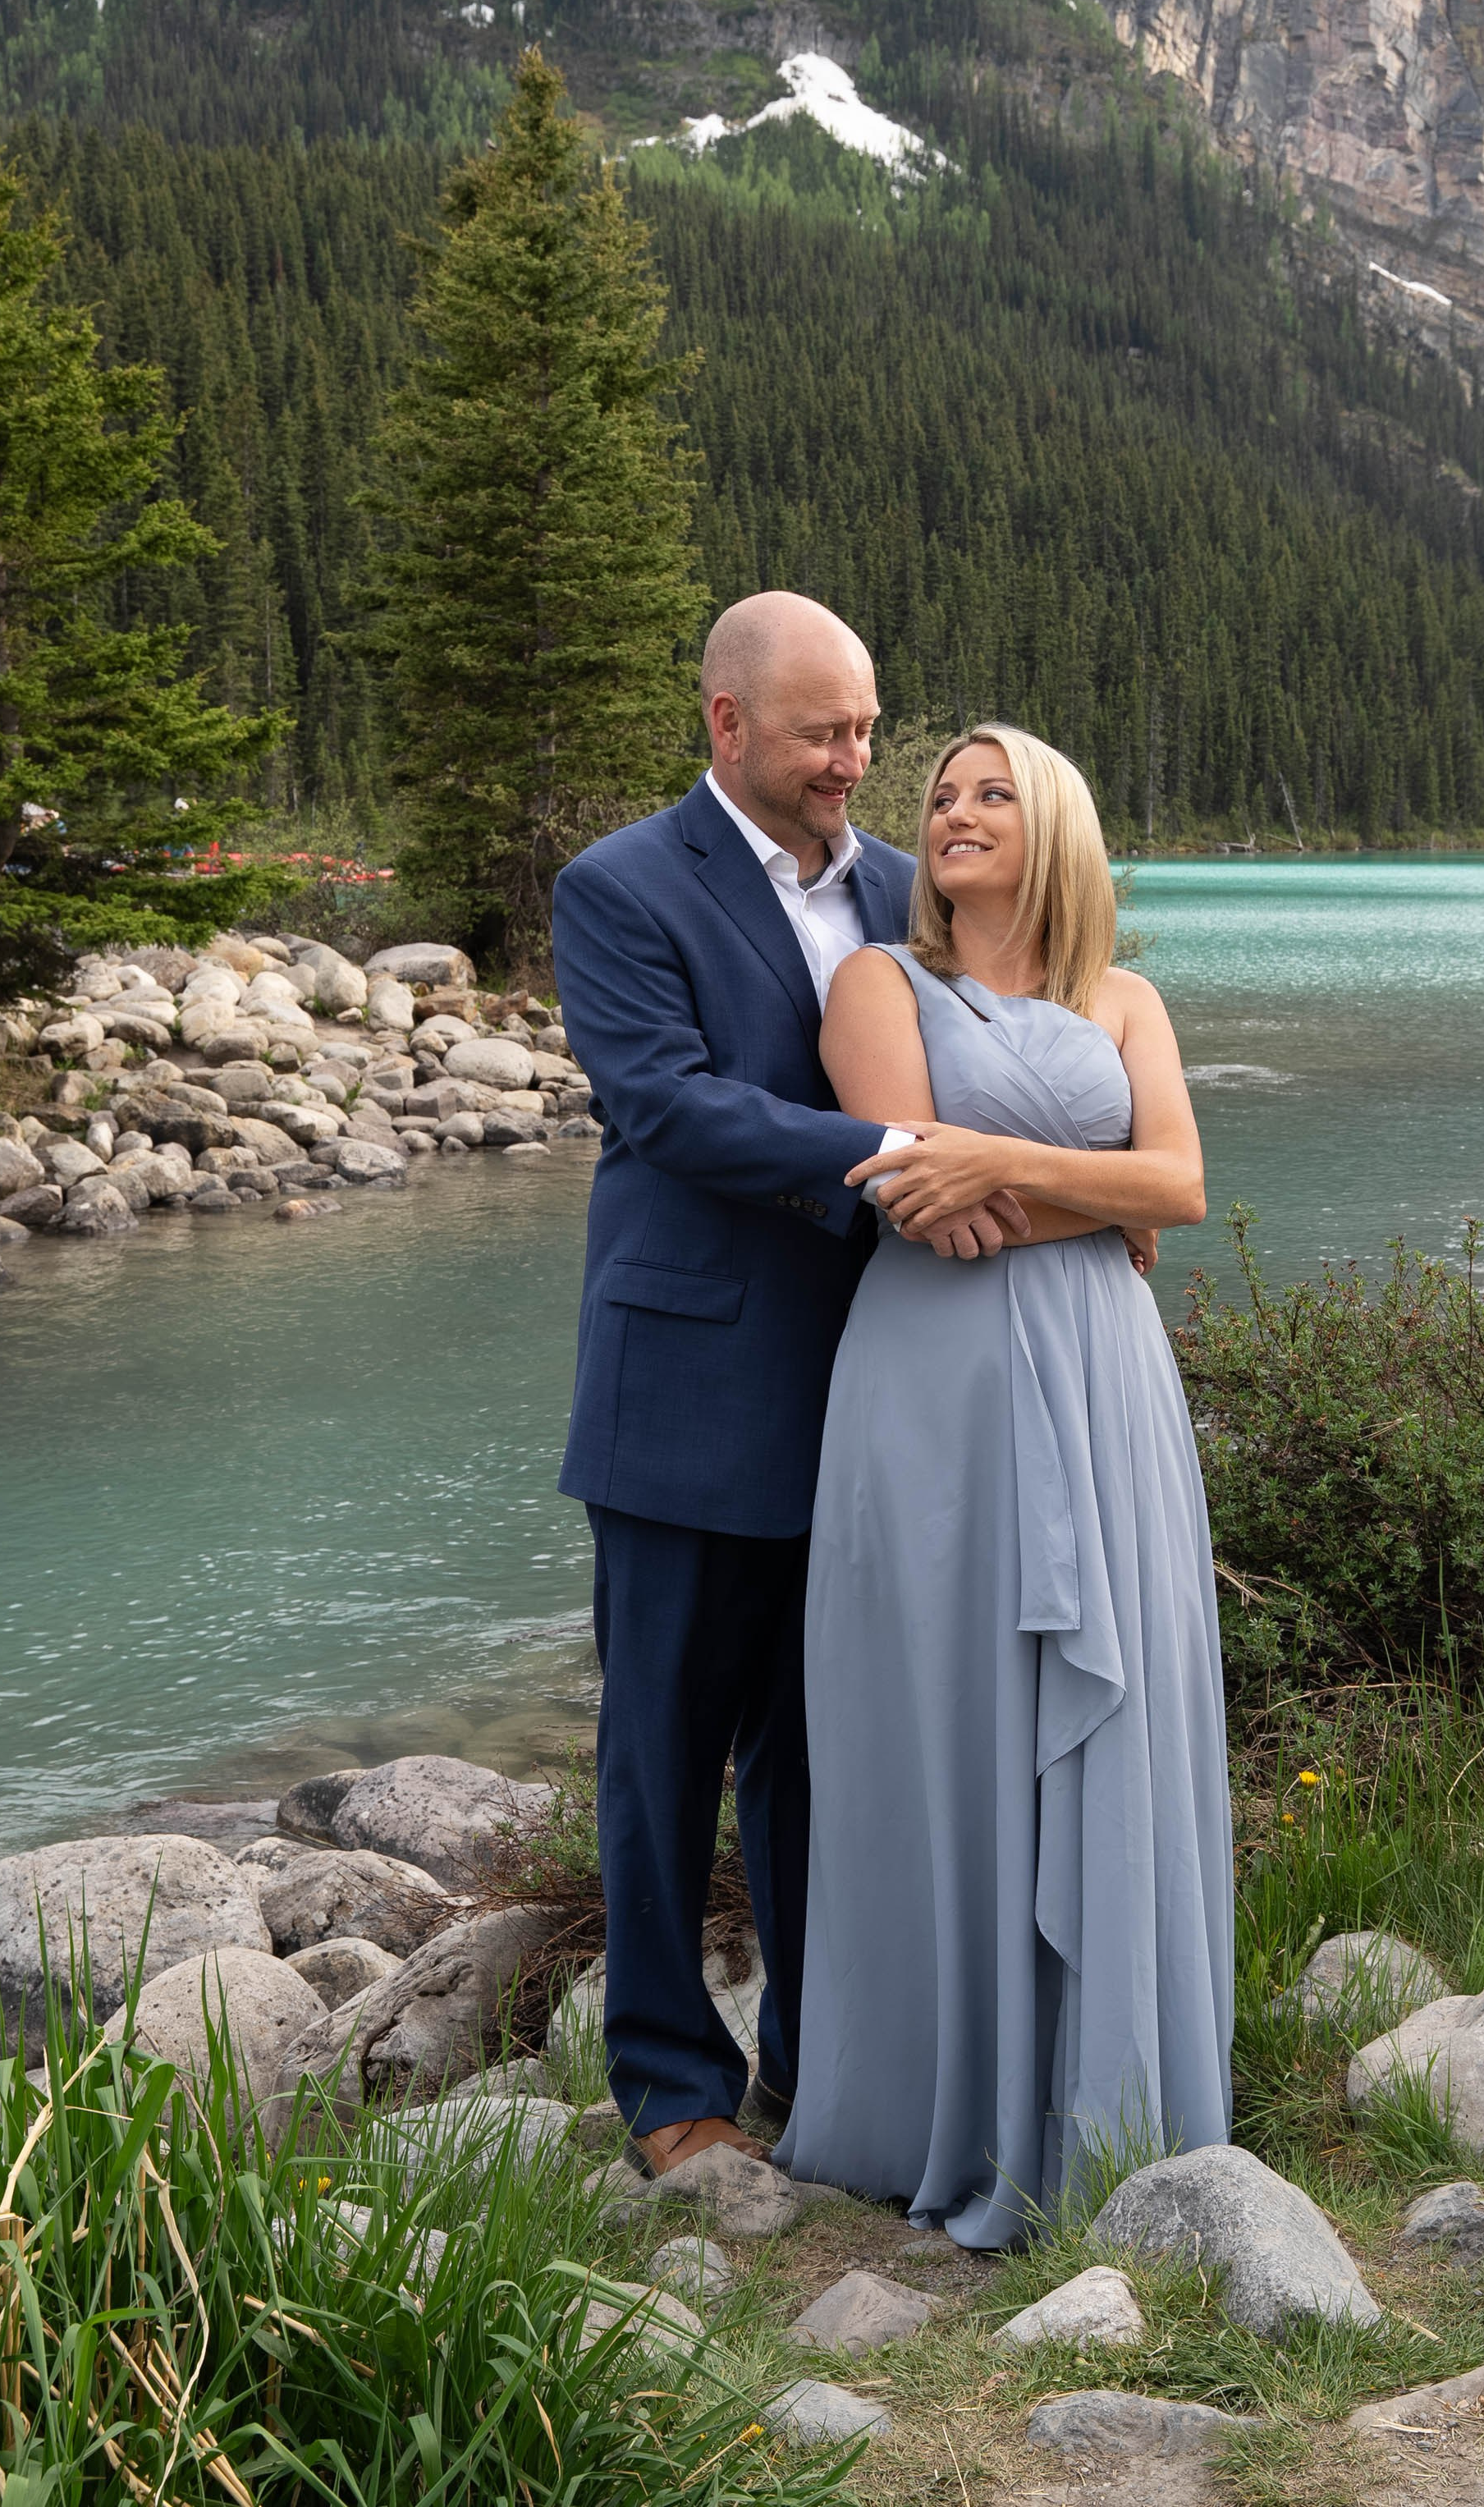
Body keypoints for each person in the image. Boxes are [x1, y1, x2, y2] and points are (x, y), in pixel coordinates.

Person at [551, 594, 1024, 2177]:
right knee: (665, 1754)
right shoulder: (619, 888)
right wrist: (905, 1158)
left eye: (868, 728)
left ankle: (826, 2076)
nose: (856, 760)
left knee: (832, 1754)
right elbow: (671, 1110)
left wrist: (1079, 1198)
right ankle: (672, 2095)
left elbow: (1006, 1049)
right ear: (726, 725)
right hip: (685, 1397)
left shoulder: (907, 889)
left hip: (877, 1397)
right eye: (825, 732)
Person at [780, 722, 1234, 2246]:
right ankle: (941, 2109)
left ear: (1057, 829)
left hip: (1109, 1390)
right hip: (937, 1395)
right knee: (946, 1721)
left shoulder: (1128, 999)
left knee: (1122, 1708)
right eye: (939, 796)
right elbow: (916, 1199)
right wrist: (1082, 1202)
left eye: (991, 794)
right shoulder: (873, 987)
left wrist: (1015, 1174)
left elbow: (1180, 1183)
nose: (953, 813)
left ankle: (1110, 2108)